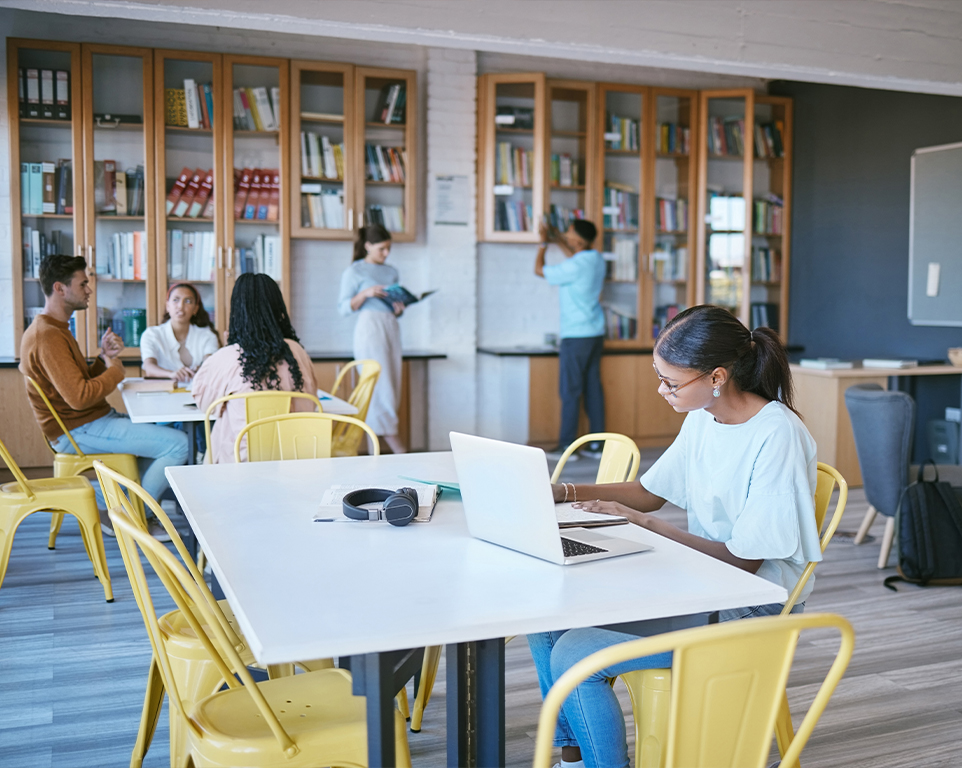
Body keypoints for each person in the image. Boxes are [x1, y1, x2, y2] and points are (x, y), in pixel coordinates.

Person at [528, 305, 823, 768]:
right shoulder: (705, 415)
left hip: (752, 603)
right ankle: (577, 753)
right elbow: (650, 492)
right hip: (703, 583)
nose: (661, 390)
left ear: (717, 377)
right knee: (547, 620)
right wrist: (560, 492)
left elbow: (745, 562)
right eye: (658, 376)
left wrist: (646, 526)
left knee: (575, 655)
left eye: (671, 381)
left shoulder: (776, 434)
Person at [19, 254, 189, 539]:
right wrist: (115, 372)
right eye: (83, 283)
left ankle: (120, 508)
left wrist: (103, 359)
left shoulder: (54, 329)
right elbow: (79, 397)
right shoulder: (47, 336)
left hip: (86, 422)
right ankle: (137, 516)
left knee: (162, 446)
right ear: (60, 288)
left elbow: (75, 384)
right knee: (179, 445)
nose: (89, 290)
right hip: (78, 429)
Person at [192, 272, 317, 464]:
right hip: (295, 457)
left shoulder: (227, 356)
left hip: (240, 462)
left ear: (237, 311)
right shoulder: (296, 351)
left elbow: (206, 405)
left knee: (223, 422)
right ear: (278, 308)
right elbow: (311, 401)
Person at [535, 219, 606, 461]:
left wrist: (544, 243)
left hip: (576, 335)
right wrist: (559, 239)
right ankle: (597, 446)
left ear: (577, 240)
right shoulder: (596, 259)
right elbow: (575, 256)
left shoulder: (577, 264)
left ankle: (567, 447)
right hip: (595, 332)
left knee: (570, 391)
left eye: (569, 233)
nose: (566, 235)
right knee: (593, 389)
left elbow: (538, 270)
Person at [338, 223, 405, 454]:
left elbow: (394, 303)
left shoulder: (391, 271)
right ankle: (397, 448)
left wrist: (399, 308)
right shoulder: (354, 272)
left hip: (390, 325)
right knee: (379, 386)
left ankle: (374, 450)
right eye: (381, 249)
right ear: (367, 246)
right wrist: (365, 293)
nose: (386, 253)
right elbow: (344, 307)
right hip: (369, 328)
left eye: (389, 249)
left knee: (393, 384)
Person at [140, 282, 219, 383]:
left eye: (188, 301)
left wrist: (201, 369)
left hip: (197, 393)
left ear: (195, 309)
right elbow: (149, 368)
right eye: (175, 300)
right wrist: (171, 374)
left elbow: (210, 365)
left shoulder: (207, 336)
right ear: (168, 306)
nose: (181, 306)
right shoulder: (151, 335)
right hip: (162, 394)